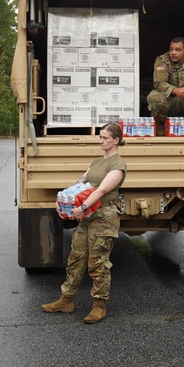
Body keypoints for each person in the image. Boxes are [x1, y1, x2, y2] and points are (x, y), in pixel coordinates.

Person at [41, 122, 127, 324]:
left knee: (97, 262)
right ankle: (66, 299)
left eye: (105, 138)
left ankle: (99, 306)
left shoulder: (118, 165)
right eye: (100, 137)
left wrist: (83, 208)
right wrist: (64, 199)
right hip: (88, 215)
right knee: (76, 257)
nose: (101, 141)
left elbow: (101, 190)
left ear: (116, 140)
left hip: (103, 216)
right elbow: (80, 183)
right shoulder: (97, 162)